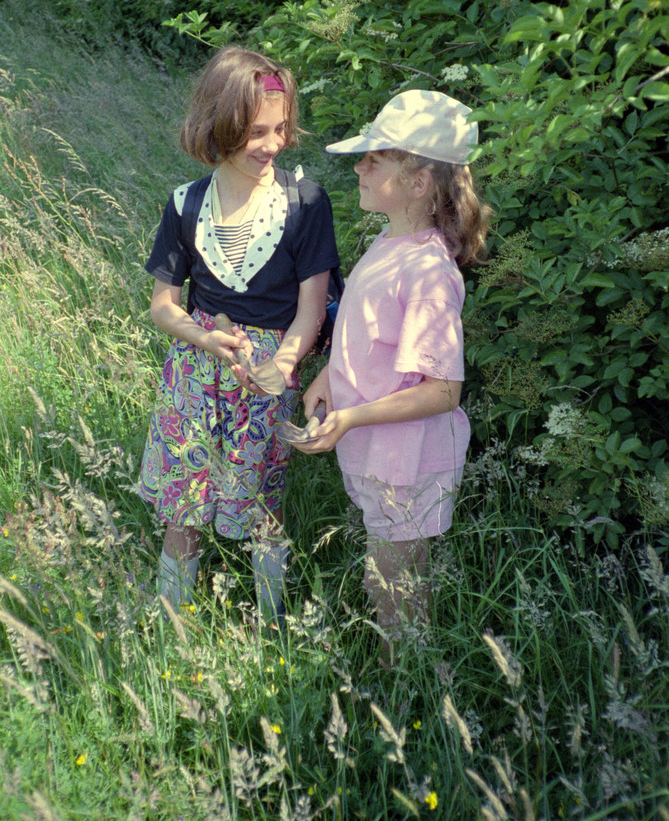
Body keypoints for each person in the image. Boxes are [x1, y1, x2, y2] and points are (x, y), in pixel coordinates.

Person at [139, 46, 340, 624]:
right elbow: (163, 306)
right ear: (218, 126)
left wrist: (282, 366)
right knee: (184, 502)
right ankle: (171, 622)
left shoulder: (304, 203)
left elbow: (311, 311)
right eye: (256, 132)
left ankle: (271, 624)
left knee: (262, 501)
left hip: (267, 375)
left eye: (281, 128)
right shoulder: (186, 204)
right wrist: (205, 339)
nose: (273, 144)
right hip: (195, 373)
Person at [292, 89, 490, 656]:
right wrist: (330, 376)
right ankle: (396, 673)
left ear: (418, 182)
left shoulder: (428, 271)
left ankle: (405, 687)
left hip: (408, 463)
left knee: (397, 592)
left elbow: (443, 391)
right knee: (384, 579)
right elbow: (369, 335)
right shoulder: (389, 241)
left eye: (374, 160)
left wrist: (352, 417)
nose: (359, 167)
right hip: (382, 453)